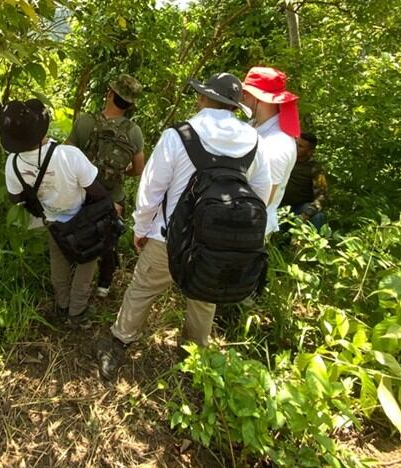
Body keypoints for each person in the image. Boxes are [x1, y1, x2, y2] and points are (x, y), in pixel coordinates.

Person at [96, 73, 271, 379]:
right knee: (204, 299)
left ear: (202, 98)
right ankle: (194, 356)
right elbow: (262, 193)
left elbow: (151, 190)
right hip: (216, 243)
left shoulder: (179, 136)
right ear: (233, 106)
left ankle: (120, 342)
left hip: (168, 238)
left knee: (142, 289)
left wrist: (141, 229)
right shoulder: (254, 140)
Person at [0, 99, 111, 328]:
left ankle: (62, 305)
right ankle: (77, 312)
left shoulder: (12, 164)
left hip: (51, 221)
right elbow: (96, 190)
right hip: (82, 221)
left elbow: (15, 198)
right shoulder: (69, 155)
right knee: (86, 262)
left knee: (58, 262)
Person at [66, 74, 145, 298]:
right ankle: (104, 284)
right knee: (108, 240)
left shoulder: (85, 121)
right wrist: (122, 172)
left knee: (79, 234)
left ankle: (76, 278)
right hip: (113, 197)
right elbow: (138, 169)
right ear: (130, 105)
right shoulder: (134, 132)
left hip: (83, 194)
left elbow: (67, 155)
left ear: (110, 94)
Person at [242, 67, 301, 235]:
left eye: (246, 93)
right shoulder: (253, 126)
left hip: (249, 229)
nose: (243, 97)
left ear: (258, 98)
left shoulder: (277, 143)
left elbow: (263, 199)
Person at [282, 132, 327, 229]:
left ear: (309, 151)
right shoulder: (283, 158)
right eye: (295, 143)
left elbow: (322, 196)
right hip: (277, 203)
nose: (295, 147)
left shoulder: (315, 168)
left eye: (300, 146)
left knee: (317, 217)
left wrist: (307, 214)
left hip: (299, 207)